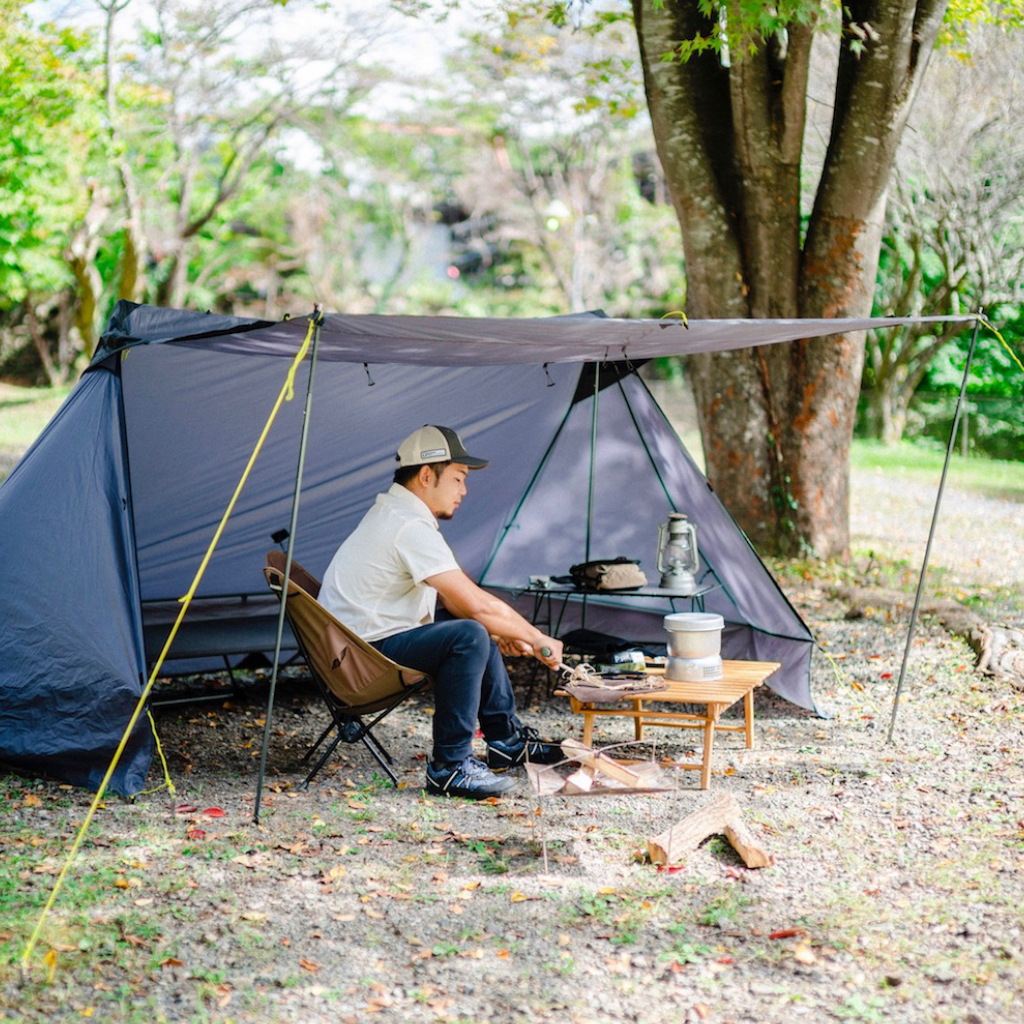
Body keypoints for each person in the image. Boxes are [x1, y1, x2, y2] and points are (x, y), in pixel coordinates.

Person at [318, 425, 565, 799]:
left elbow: (457, 600)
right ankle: (450, 767)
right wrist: (536, 637)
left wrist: (503, 632)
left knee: (474, 627)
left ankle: (505, 741)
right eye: (458, 478)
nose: (464, 490)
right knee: (468, 633)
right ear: (426, 475)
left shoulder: (397, 514)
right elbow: (475, 602)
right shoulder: (407, 526)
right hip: (362, 660)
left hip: (355, 647)